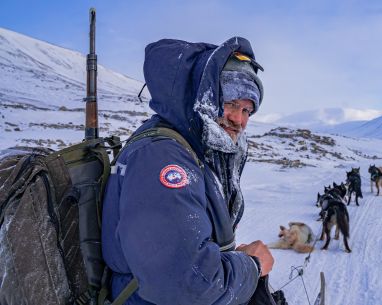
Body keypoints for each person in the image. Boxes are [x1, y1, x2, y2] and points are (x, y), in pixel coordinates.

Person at [101, 37, 275, 305]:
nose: (238, 120)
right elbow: (187, 284)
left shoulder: (196, 150)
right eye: (230, 103)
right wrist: (251, 266)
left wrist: (230, 260)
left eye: (247, 110)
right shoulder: (162, 158)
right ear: (204, 95)